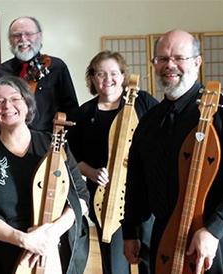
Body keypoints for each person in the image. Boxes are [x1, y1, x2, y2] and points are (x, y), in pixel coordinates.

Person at [122, 29, 223, 274]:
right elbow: (137, 183)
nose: (170, 65)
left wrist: (215, 229)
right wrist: (131, 231)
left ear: (197, 62)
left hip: (220, 242)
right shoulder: (150, 122)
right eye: (162, 59)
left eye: (179, 58)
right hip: (166, 240)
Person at [0, 75, 90, 273]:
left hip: (54, 252)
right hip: (2, 256)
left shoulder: (52, 145)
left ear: (27, 103)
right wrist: (23, 240)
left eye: (15, 98)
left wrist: (50, 234)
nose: (7, 105)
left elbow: (80, 195)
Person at [69, 51, 157, 274]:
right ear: (92, 78)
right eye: (100, 73)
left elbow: (163, 138)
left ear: (123, 75)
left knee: (152, 260)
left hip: (146, 196)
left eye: (113, 73)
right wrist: (91, 172)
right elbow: (72, 156)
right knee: (115, 266)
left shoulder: (143, 102)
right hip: (106, 199)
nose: (108, 79)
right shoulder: (83, 114)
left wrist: (142, 157)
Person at [0, 16, 78, 133]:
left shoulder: (57, 67)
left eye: (29, 34)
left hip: (45, 143)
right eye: (17, 35)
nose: (23, 39)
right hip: (6, 142)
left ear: (39, 35)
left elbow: (71, 111)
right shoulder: (1, 71)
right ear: (10, 39)